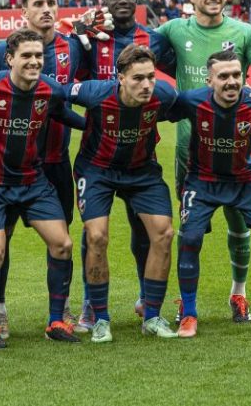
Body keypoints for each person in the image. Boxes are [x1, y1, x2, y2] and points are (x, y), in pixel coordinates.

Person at [157, 0, 251, 323]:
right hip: (190, 153)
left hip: (237, 150)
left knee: (241, 226)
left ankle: (238, 294)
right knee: (189, 232)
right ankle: (183, 302)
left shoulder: (243, 32)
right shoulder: (173, 29)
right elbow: (139, 47)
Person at [0, 29, 85, 349]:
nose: (33, 61)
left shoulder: (51, 90)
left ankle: (56, 320)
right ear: (9, 59)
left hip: (33, 181)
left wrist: (102, 123)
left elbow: (65, 113)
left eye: (38, 56)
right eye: (26, 56)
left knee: (62, 244)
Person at [167, 50, 251, 337]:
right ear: (210, 80)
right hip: (202, 181)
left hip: (246, 180)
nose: (231, 82)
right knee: (189, 238)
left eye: (237, 75)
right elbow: (158, 112)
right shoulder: (193, 101)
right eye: (223, 76)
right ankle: (188, 314)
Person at [0, 0, 85, 338]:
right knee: (1, 237)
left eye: (52, 2)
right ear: (23, 11)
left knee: (61, 235)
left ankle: (62, 307)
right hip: (7, 164)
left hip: (54, 161)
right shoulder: (0, 52)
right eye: (38, 3)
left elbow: (76, 95)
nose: (46, 9)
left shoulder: (74, 48)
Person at [77, 0, 175, 330]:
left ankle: (146, 299)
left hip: (140, 153)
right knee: (94, 233)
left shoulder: (154, 40)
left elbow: (177, 80)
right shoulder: (89, 36)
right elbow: (71, 82)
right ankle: (90, 302)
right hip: (99, 150)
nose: (121, 1)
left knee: (143, 228)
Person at [66, 45, 178, 342]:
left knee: (164, 233)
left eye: (151, 77)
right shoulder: (94, 93)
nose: (146, 85)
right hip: (97, 170)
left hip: (141, 170)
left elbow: (190, 106)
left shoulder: (164, 95)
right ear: (120, 78)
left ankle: (152, 315)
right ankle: (100, 318)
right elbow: (54, 93)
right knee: (97, 236)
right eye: (138, 78)